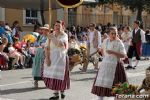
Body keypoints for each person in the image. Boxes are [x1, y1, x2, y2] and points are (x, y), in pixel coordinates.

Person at [91, 27, 127, 100]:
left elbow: (123, 55)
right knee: (102, 84)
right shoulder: (105, 41)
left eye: (115, 33)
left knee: (116, 86)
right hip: (105, 65)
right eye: (112, 33)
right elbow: (103, 53)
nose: (114, 35)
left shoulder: (119, 42)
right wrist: (100, 51)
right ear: (108, 34)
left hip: (116, 66)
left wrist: (113, 52)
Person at [42, 21, 70, 100]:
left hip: (61, 58)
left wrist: (52, 37)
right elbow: (47, 47)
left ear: (62, 27)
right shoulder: (51, 34)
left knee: (60, 76)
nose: (57, 27)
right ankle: (55, 94)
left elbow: (60, 44)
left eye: (59, 25)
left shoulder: (64, 35)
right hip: (52, 57)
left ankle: (62, 91)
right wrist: (47, 58)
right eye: (55, 25)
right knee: (53, 75)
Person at [32, 24, 49, 88]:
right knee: (37, 67)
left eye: (45, 30)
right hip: (39, 53)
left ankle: (46, 81)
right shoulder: (40, 36)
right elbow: (35, 43)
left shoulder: (49, 37)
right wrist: (37, 44)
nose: (44, 31)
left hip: (45, 53)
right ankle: (36, 82)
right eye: (43, 29)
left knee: (45, 67)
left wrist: (44, 45)